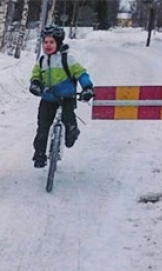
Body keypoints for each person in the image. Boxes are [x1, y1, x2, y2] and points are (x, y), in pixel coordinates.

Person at [28, 25, 94, 169]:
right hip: (48, 99)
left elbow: (81, 73)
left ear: (58, 43)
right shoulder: (41, 61)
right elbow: (35, 75)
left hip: (66, 98)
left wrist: (87, 87)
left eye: (51, 42)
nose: (48, 45)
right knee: (42, 128)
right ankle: (39, 154)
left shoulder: (67, 59)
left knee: (68, 119)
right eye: (45, 42)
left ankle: (72, 132)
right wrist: (35, 84)